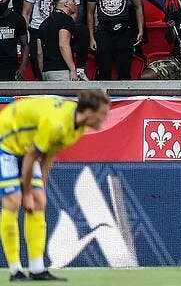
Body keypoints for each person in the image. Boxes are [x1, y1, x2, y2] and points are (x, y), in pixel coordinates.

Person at [0, 91, 110, 280]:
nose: (105, 118)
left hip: (26, 147)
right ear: (89, 111)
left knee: (39, 201)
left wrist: (38, 189)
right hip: (6, 142)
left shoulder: (78, 128)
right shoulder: (57, 124)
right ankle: (15, 270)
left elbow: (48, 156)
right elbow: (30, 159)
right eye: (102, 113)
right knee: (13, 201)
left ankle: (37, 269)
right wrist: (26, 194)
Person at [86, 0, 143, 80]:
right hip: (104, 31)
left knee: (125, 70)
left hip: (124, 29)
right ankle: (104, 97)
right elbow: (90, 13)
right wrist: (92, 37)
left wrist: (141, 30)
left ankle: (124, 96)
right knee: (103, 70)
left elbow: (138, 6)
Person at [37, 0, 80, 82]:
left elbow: (39, 52)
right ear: (66, 4)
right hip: (61, 71)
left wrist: (42, 72)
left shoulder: (44, 23)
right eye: (73, 1)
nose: (75, 4)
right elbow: (63, 45)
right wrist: (72, 69)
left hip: (46, 71)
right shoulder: (66, 20)